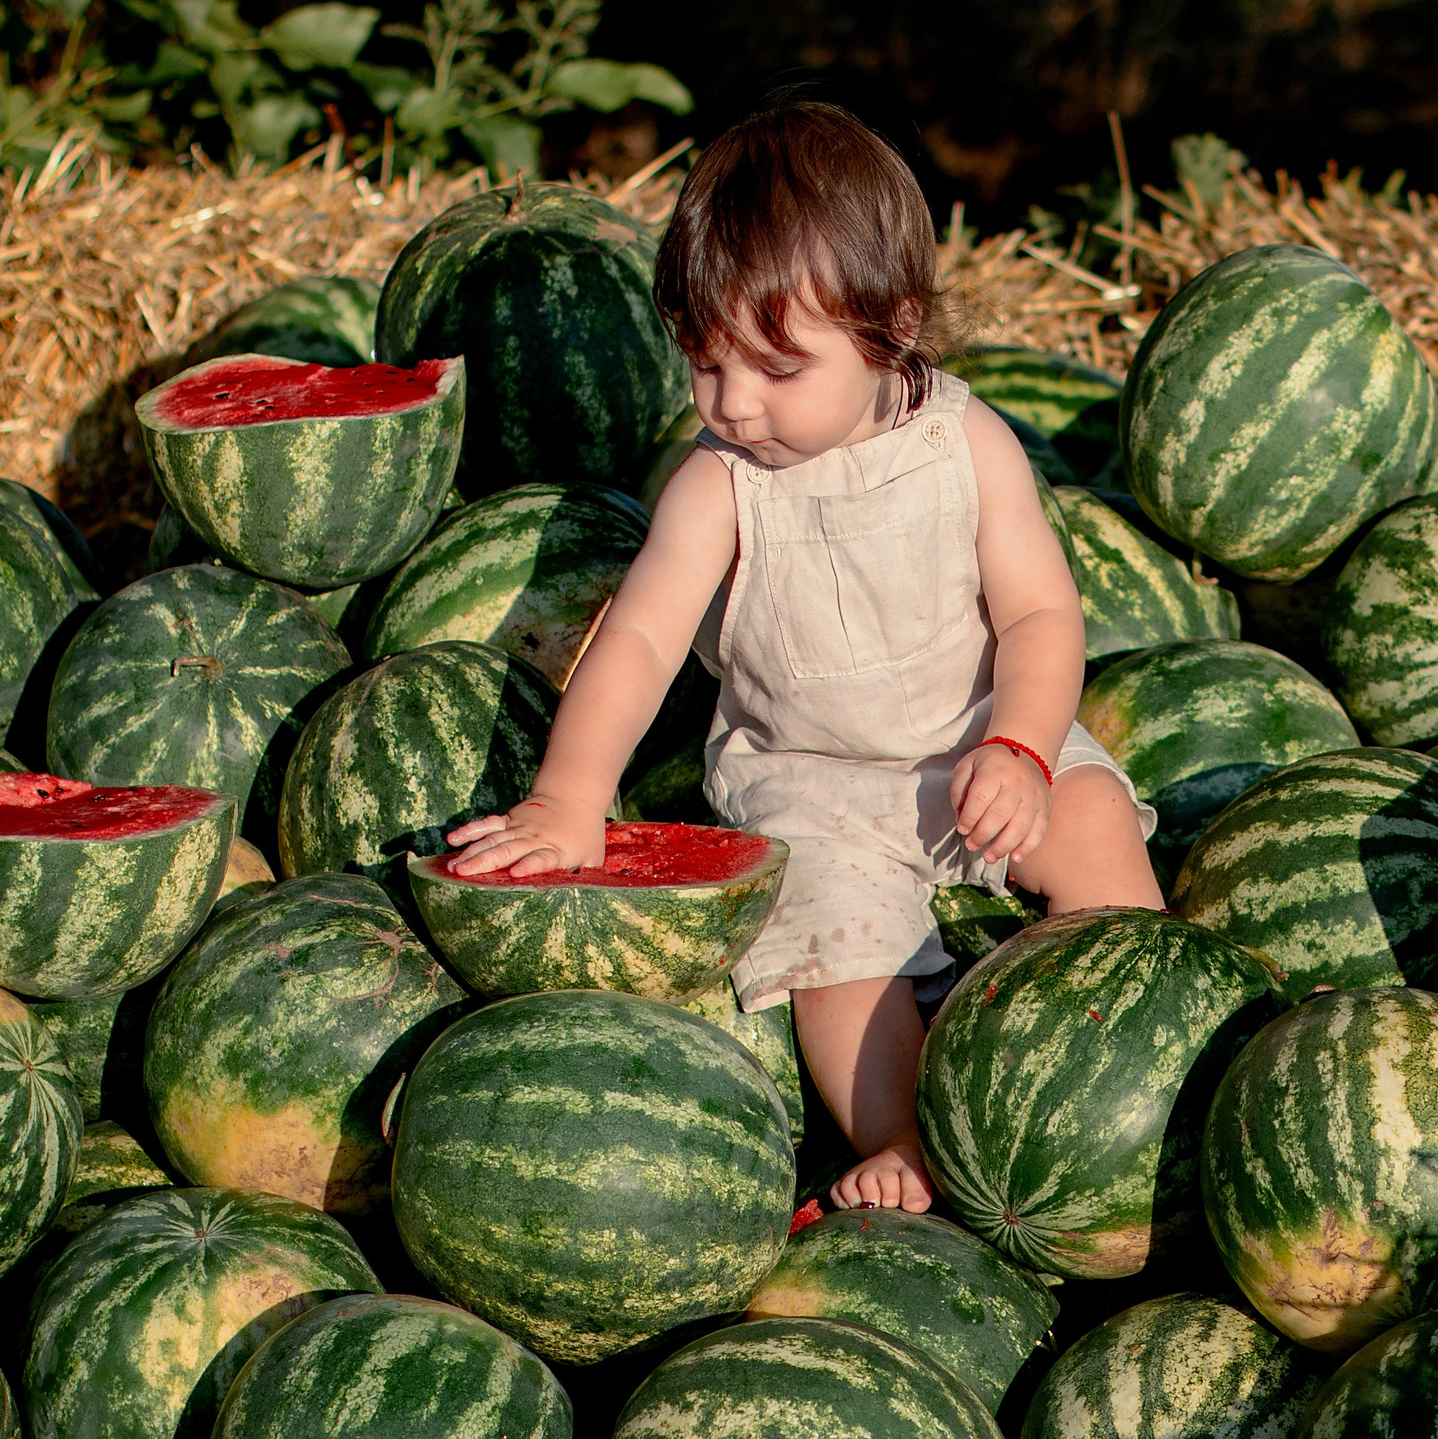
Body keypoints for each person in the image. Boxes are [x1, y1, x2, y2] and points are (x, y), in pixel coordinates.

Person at [444, 101, 1164, 1212]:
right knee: (832, 950)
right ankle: (901, 1136)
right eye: (703, 362)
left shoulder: (967, 443)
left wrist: (1021, 745)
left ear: (895, 328)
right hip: (815, 786)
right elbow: (633, 639)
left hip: (977, 739)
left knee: (1095, 820)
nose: (730, 403)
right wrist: (569, 795)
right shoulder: (718, 482)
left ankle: (1136, 1041)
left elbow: (1038, 619)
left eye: (776, 368)